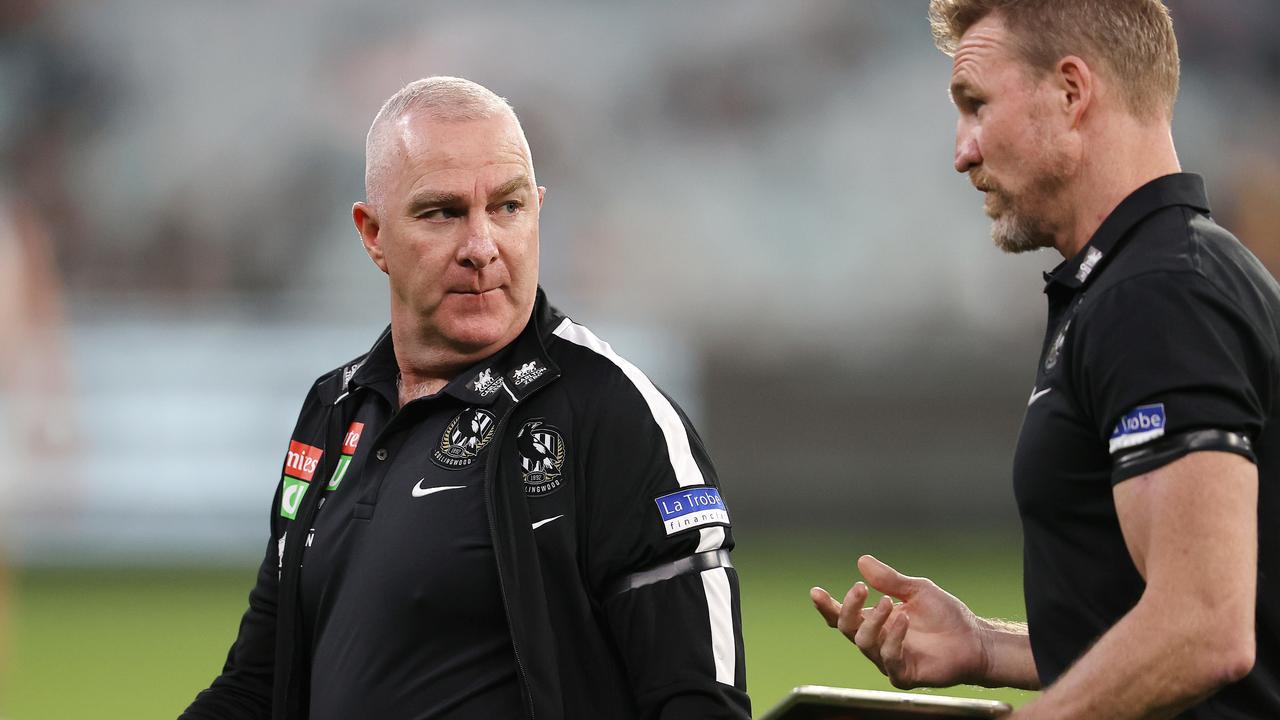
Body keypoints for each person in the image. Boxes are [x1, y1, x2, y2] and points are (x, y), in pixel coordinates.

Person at [183, 76, 749, 720]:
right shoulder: (333, 409)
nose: (482, 248)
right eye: (443, 213)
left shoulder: (615, 416)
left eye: (507, 208)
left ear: (537, 210)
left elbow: (700, 702)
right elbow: (258, 685)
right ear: (372, 234)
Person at [811, 1, 1278, 717]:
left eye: (976, 105)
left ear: (1071, 92)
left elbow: (1204, 628)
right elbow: (1186, 612)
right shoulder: (1152, 280)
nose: (962, 150)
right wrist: (986, 646)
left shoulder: (1157, 295)